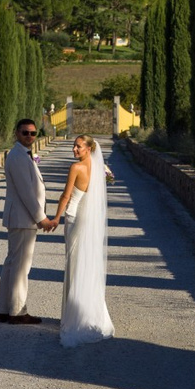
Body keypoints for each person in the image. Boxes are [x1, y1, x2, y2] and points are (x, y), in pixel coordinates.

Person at [0, 116, 59, 323]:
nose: (29, 136)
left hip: (21, 218)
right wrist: (42, 219)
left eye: (33, 133)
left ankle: (4, 310)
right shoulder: (18, 156)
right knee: (21, 267)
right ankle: (17, 312)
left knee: (12, 264)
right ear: (16, 133)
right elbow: (26, 193)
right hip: (24, 219)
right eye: (25, 133)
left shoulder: (22, 155)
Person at [57, 124, 115, 347]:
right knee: (87, 264)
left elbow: (65, 196)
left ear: (89, 149)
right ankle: (91, 313)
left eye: (78, 147)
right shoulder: (100, 168)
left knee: (74, 264)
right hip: (89, 220)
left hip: (73, 217)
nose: (74, 150)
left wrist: (55, 218)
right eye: (74, 146)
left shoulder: (77, 168)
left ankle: (74, 318)